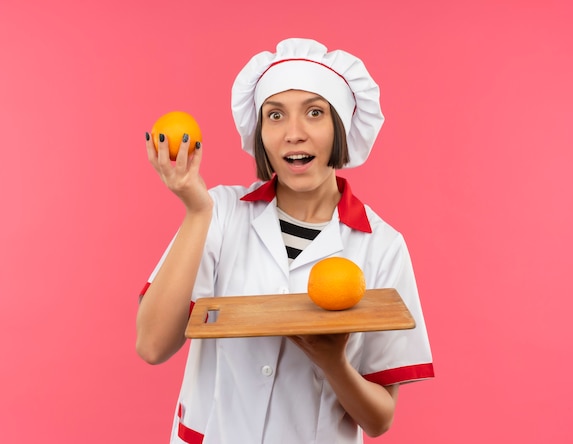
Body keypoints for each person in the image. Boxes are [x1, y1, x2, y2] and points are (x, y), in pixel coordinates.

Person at [136, 38, 434, 444]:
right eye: (275, 115)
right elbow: (152, 345)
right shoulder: (219, 213)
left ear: (340, 126)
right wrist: (196, 210)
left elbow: (380, 419)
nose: (294, 134)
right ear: (261, 133)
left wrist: (334, 364)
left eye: (314, 112)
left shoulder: (382, 246)